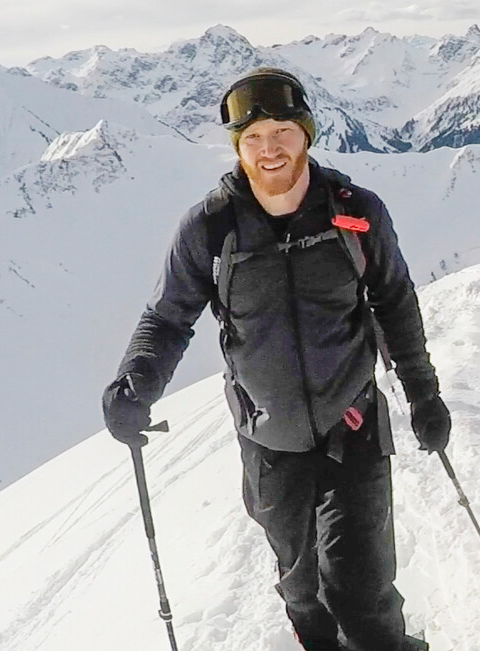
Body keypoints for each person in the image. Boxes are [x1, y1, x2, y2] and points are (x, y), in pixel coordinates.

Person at [102, 67, 449, 651]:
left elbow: (393, 300)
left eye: (282, 131)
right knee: (302, 592)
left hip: (352, 426)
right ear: (237, 147)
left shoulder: (355, 211)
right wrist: (136, 383)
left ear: (306, 134)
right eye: (252, 138)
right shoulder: (209, 228)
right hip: (268, 443)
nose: (269, 150)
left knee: (360, 590)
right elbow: (167, 318)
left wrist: (423, 392)